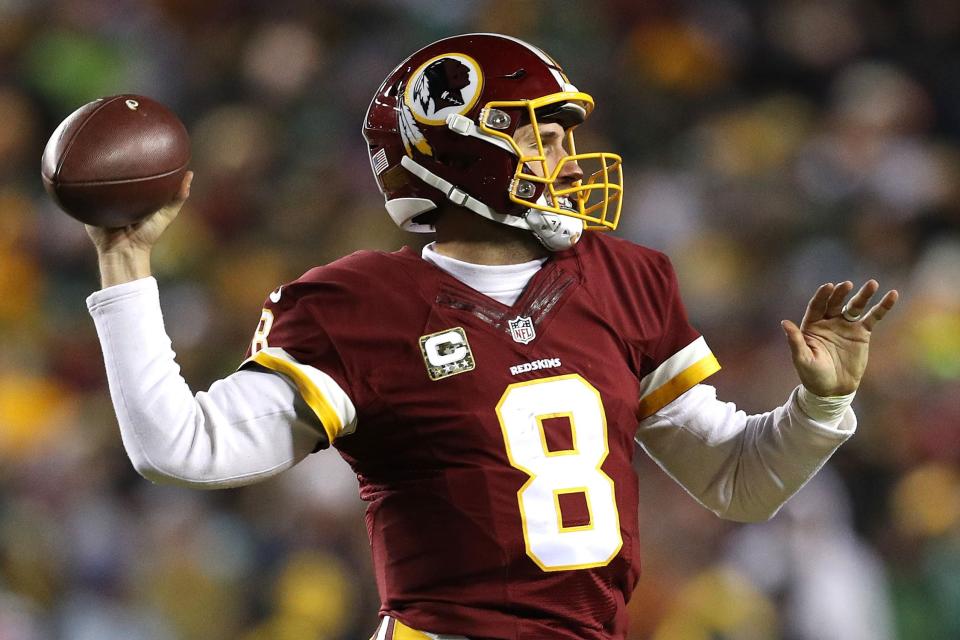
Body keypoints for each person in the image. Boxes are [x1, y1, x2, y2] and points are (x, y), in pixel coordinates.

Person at [83, 33, 898, 640]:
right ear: (458, 148)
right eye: (543, 136)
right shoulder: (363, 303)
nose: (571, 163)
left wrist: (820, 406)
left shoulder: (624, 277)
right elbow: (181, 447)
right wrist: (125, 257)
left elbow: (736, 482)